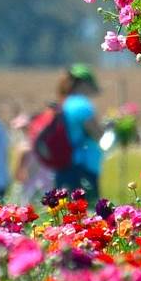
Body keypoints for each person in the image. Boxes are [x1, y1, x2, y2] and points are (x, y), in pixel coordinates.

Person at [56, 63, 104, 204]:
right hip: (83, 166)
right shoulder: (82, 105)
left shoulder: (65, 102)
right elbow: (97, 134)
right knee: (87, 212)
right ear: (82, 83)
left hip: (65, 164)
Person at [10, 113, 54, 205]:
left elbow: (17, 174)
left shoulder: (23, 147)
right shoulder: (44, 142)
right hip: (46, 182)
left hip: (30, 186)